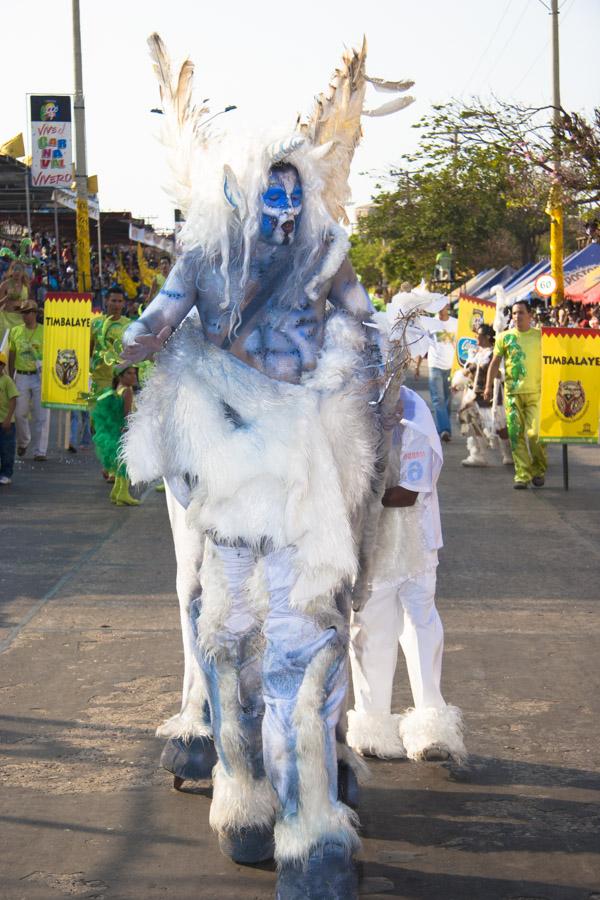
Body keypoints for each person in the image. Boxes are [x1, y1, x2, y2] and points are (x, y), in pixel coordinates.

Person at [119, 34, 414, 899]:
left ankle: (303, 823)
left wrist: (384, 361)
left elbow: (365, 333)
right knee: (230, 634)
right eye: (272, 184)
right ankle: (257, 795)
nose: (284, 197)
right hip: (243, 483)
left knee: (295, 645)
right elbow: (156, 327)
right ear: (248, 190)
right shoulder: (220, 263)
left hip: (294, 484)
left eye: (295, 184)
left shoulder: (315, 260)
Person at [347, 385, 465, 762]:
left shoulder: (413, 416)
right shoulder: (352, 407)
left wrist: (354, 496)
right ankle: (372, 726)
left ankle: (432, 727)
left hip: (413, 544)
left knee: (420, 628)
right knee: (369, 631)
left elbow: (406, 494)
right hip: (372, 549)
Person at [484, 300, 547, 489]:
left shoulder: (541, 336)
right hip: (512, 393)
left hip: (536, 393)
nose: (517, 316)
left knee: (535, 434)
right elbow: (495, 363)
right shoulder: (505, 337)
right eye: (514, 313)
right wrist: (488, 386)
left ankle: (538, 469)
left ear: (530, 315)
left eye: (520, 313)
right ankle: (522, 474)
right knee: (515, 434)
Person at [455, 324, 512, 467]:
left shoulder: (495, 354)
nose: (476, 337)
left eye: (478, 335)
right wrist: (460, 380)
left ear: (487, 337)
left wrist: (495, 373)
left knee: (500, 426)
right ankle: (477, 455)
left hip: (490, 396)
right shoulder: (475, 353)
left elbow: (502, 374)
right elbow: (468, 371)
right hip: (472, 395)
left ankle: (509, 454)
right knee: (471, 422)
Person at [92, 364, 140, 506]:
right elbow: (127, 415)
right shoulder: (128, 391)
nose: (134, 377)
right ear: (121, 376)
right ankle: (123, 493)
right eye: (129, 374)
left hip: (114, 430)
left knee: (120, 462)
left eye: (134, 373)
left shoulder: (117, 389)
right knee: (126, 462)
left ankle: (117, 491)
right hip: (123, 431)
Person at [8, 300, 50, 461]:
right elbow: (11, 354)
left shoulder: (45, 331)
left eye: (27, 312)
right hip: (22, 375)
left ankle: (40, 451)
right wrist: (11, 376)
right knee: (19, 413)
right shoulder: (15, 331)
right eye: (23, 313)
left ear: (34, 313)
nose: (24, 316)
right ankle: (24, 441)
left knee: (42, 414)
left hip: (40, 376)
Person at [416, 303, 458, 441]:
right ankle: (445, 430)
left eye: (443, 305)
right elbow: (424, 344)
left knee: (447, 400)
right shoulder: (430, 323)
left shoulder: (456, 323)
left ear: (447, 307)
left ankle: (443, 427)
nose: (440, 308)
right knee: (438, 399)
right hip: (435, 365)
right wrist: (417, 367)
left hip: (451, 367)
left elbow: (461, 344)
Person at [90, 286, 131, 393]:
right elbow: (89, 352)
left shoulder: (129, 325)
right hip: (99, 382)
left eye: (119, 301)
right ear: (106, 301)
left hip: (121, 382)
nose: (116, 304)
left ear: (123, 304)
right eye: (113, 301)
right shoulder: (95, 324)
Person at [0, 351, 19, 485]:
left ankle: (6, 473)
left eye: (0, 365)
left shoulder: (7, 381)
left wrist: (8, 418)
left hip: (6, 423)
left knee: (7, 449)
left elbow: (13, 400)